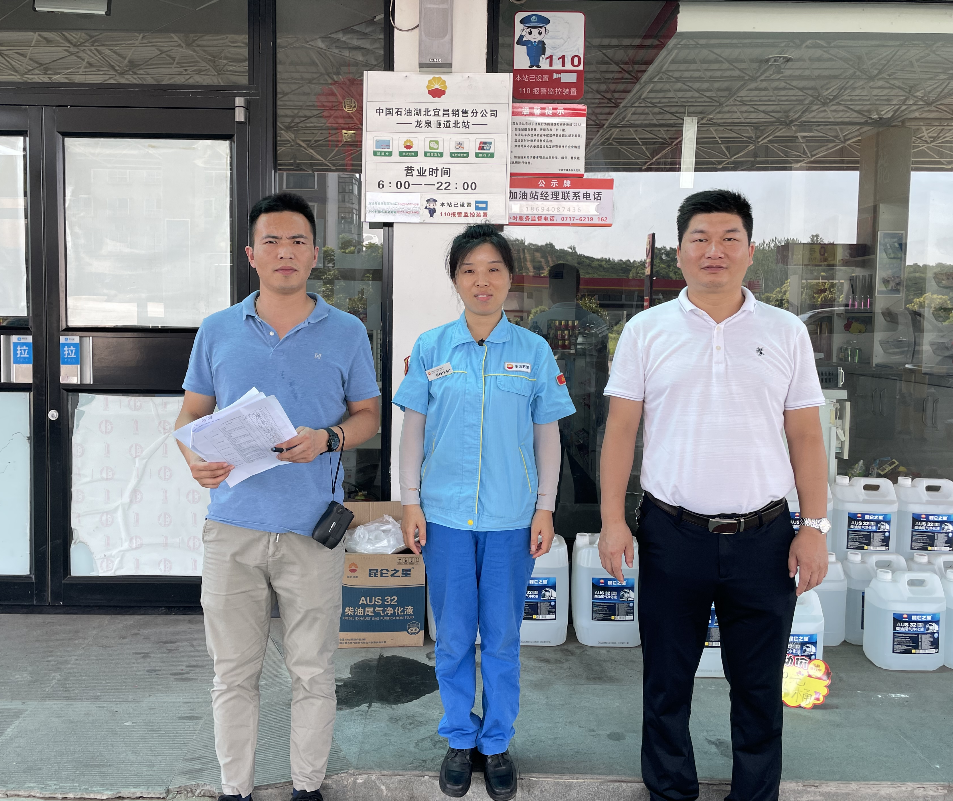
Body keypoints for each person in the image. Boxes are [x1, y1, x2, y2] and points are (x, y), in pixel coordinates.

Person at [599, 190, 830, 801]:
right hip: (672, 533)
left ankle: (754, 794)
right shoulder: (646, 331)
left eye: (730, 238)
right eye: (700, 238)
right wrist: (612, 520)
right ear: (679, 252)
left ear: (751, 252)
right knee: (666, 681)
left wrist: (815, 527)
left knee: (758, 687)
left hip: (765, 536)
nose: (714, 251)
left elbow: (806, 436)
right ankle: (670, 791)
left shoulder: (786, 331)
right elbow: (620, 431)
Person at [174, 192, 381, 801]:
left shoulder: (346, 331)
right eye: (272, 241)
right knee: (232, 673)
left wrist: (328, 438)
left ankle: (307, 788)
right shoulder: (217, 330)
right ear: (251, 255)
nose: (285, 252)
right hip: (232, 528)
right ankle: (234, 789)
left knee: (312, 671)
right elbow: (190, 414)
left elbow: (368, 415)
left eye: (297, 241)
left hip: (310, 530)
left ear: (316, 254)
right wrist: (194, 460)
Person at [394, 224, 574, 800]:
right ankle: (458, 736)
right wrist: (410, 501)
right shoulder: (431, 348)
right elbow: (412, 431)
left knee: (500, 639)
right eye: (469, 269)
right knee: (451, 638)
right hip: (444, 517)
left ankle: (495, 743)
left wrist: (545, 508)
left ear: (509, 278)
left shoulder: (533, 351)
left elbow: (548, 437)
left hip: (510, 521)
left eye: (494, 268)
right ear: (455, 279)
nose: (482, 280)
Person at [529, 263, 609, 507]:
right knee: (584, 471)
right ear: (578, 289)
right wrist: (600, 409)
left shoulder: (538, 323)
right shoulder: (595, 323)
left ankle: (547, 519)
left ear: (551, 289)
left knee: (546, 472)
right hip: (583, 408)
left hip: (547, 411)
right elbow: (602, 371)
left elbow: (531, 376)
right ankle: (587, 521)